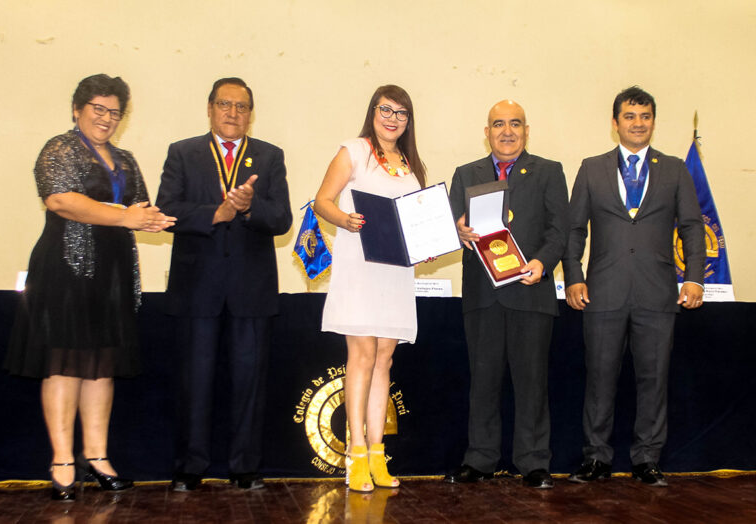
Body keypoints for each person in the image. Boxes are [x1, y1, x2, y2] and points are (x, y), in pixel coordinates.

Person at [5, 74, 175, 501]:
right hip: (65, 269)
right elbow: (60, 200)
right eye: (98, 108)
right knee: (64, 362)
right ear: (78, 109)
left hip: (113, 274)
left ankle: (97, 456)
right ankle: (63, 460)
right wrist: (126, 217)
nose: (106, 118)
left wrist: (154, 218)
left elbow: (137, 208)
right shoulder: (59, 148)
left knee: (102, 365)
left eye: (114, 111)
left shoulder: (126, 158)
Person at [563, 86, 705, 487]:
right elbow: (575, 230)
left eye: (645, 117)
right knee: (599, 377)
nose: (637, 123)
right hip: (602, 291)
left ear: (653, 122)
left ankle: (647, 459)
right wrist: (574, 277)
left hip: (657, 292)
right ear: (615, 123)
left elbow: (693, 227)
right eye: (629, 116)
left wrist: (694, 276)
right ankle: (596, 458)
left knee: (653, 378)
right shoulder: (592, 168)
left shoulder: (675, 168)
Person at [156, 77, 292, 492]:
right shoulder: (183, 153)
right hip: (197, 287)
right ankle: (189, 467)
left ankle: (245, 467)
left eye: (241, 107)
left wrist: (250, 209)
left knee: (250, 383)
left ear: (251, 114)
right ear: (210, 108)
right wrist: (214, 214)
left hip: (251, 291)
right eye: (224, 104)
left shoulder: (269, 157)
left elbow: (283, 218)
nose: (233, 113)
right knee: (194, 382)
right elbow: (166, 210)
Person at [445, 100, 569, 489]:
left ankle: (533, 462)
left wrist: (543, 263)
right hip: (483, 296)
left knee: (532, 383)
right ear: (487, 132)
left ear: (526, 131)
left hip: (531, 292)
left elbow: (559, 230)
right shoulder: (466, 174)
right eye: (498, 124)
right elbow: (450, 227)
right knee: (482, 382)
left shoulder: (549, 172)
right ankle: (480, 459)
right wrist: (459, 232)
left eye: (515, 124)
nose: (507, 131)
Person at [314, 85, 426, 492]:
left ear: (408, 121)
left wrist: (425, 247)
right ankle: (355, 454)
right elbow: (322, 200)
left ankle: (378, 455)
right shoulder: (353, 151)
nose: (393, 118)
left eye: (401, 113)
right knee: (361, 354)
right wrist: (344, 220)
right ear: (373, 111)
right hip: (360, 266)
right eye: (386, 109)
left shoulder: (411, 165)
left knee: (385, 358)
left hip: (396, 272)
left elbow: (416, 222)